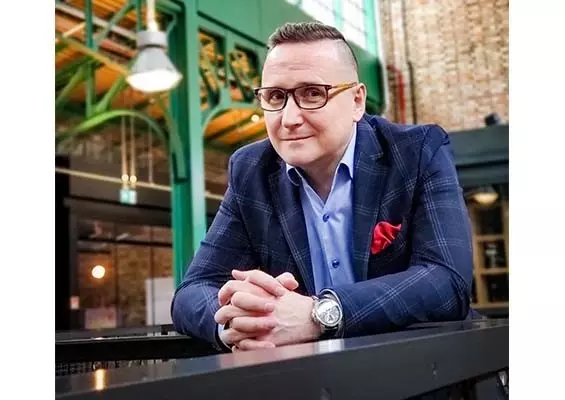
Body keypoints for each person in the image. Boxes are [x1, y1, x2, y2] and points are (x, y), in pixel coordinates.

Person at [171, 21, 474, 352]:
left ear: (357, 101)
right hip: (310, 375)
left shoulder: (417, 152)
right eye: (275, 96)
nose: (289, 118)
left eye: (313, 94)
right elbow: (192, 291)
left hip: (421, 364)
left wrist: (319, 314)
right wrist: (240, 322)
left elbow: (447, 282)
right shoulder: (251, 170)